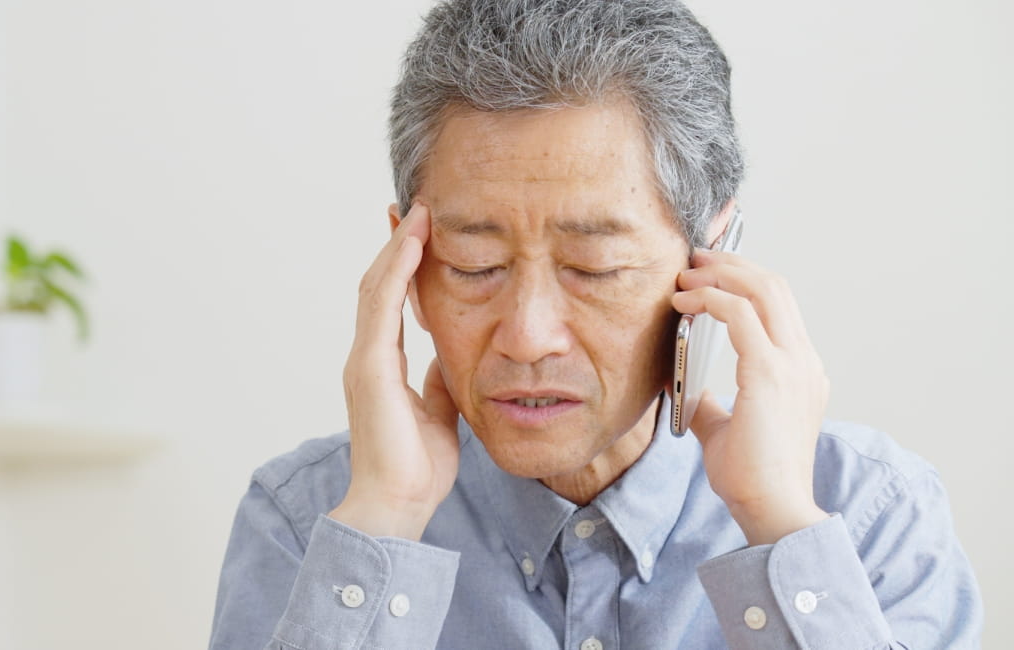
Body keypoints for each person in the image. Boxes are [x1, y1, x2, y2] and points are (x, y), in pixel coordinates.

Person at [208, 0, 983, 648]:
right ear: (402, 271)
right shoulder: (312, 521)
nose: (528, 336)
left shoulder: (870, 514)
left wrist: (778, 525)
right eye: (475, 267)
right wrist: (384, 523)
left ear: (712, 256)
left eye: (596, 270)